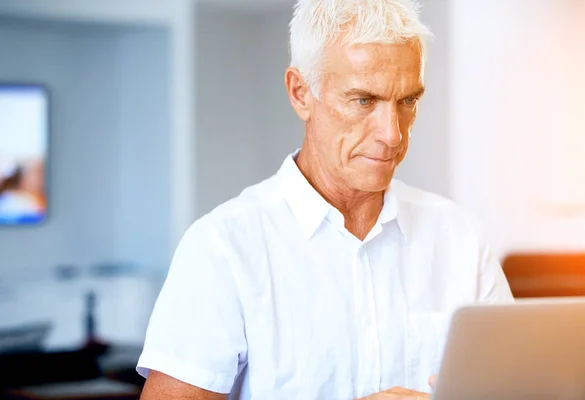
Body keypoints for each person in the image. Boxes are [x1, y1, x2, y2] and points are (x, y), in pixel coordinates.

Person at [137, 0, 514, 399]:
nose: (393, 134)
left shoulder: (459, 238)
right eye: (364, 101)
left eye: (407, 101)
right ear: (300, 93)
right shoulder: (224, 248)